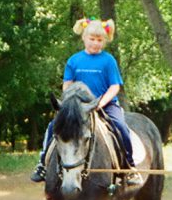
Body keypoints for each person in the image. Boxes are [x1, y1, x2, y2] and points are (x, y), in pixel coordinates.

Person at [31, 18, 142, 187]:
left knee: (120, 126)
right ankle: (42, 164)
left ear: (104, 41)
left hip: (104, 104)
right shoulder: (74, 60)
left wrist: (100, 104)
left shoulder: (108, 60)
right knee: (53, 126)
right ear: (84, 37)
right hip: (78, 107)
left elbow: (114, 86)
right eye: (92, 39)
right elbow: (67, 83)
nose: (96, 44)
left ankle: (129, 167)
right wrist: (69, 102)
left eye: (100, 40)